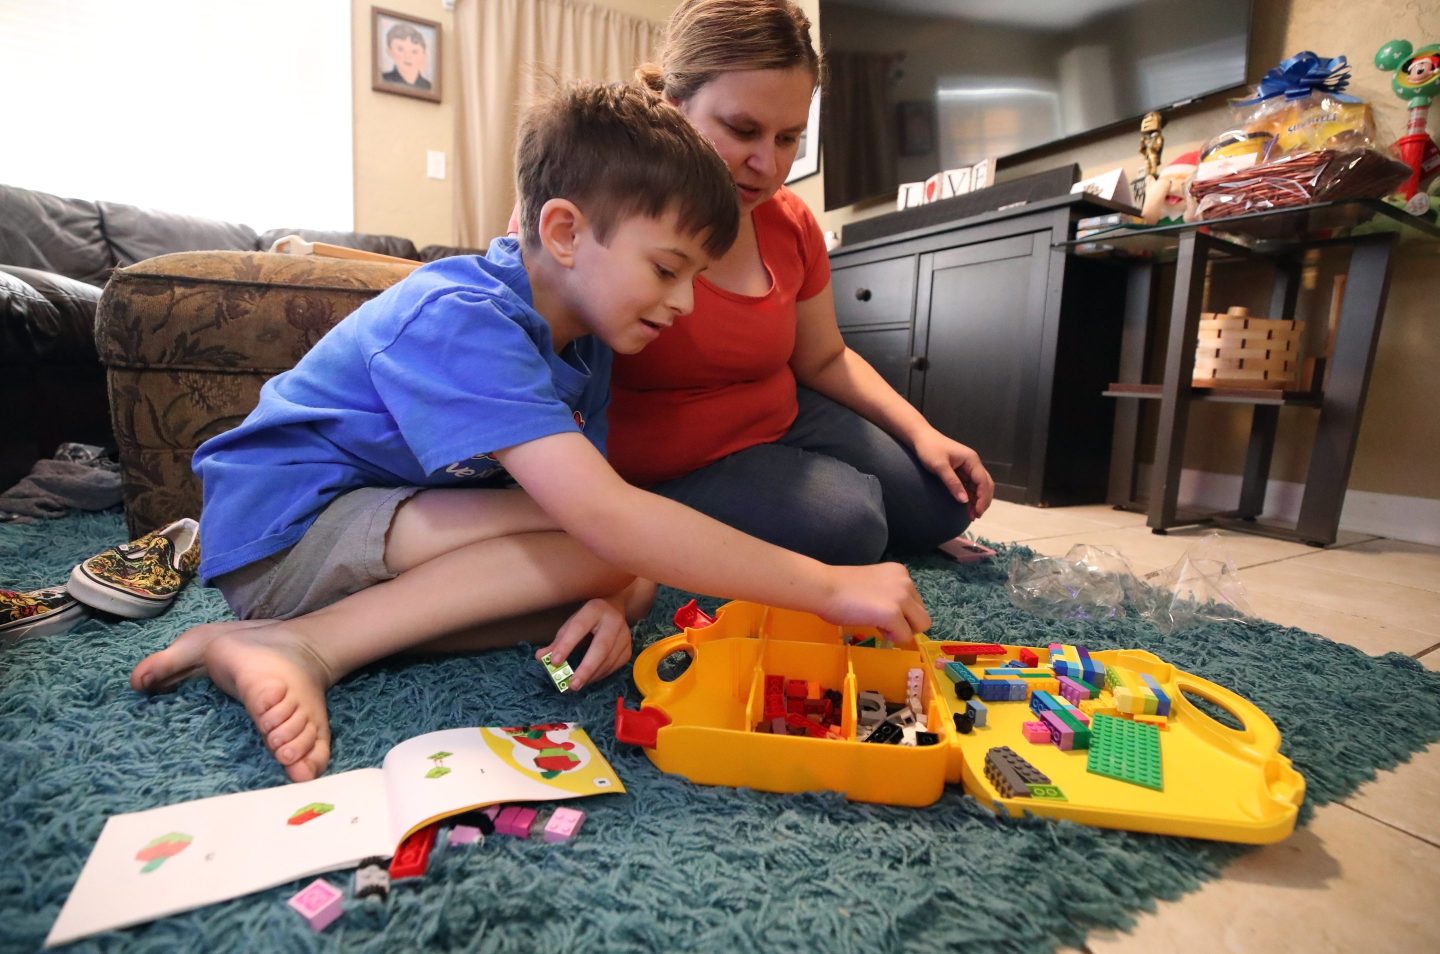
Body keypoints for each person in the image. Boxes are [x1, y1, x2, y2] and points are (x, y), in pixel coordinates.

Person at [129, 82, 930, 784]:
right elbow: (607, 515)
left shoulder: (583, 341)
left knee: (619, 576)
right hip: (287, 533)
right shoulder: (461, 317)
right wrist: (828, 586)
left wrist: (615, 598)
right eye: (666, 269)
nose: (685, 303)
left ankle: (271, 642)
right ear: (564, 232)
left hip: (386, 520)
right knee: (613, 541)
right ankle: (305, 646)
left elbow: (604, 525)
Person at [610, 0, 995, 567]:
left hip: (779, 414)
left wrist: (922, 433)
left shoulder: (789, 221)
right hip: (670, 452)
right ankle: (674, 517)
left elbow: (824, 357)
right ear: (674, 106)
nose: (766, 164)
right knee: (850, 526)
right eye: (743, 131)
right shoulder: (607, 209)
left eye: (788, 138)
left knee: (946, 499)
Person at [381, 21, 432, 90]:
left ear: (424, 55)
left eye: (414, 51)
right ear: (389, 51)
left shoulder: (429, 87)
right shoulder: (383, 80)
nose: (408, 56)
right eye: (400, 49)